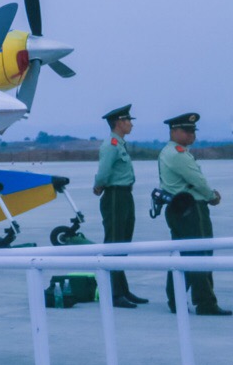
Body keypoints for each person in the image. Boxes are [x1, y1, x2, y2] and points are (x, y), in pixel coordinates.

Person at [159, 112, 226, 315]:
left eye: (192, 131)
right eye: (186, 131)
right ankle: (205, 303)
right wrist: (212, 196)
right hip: (191, 208)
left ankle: (176, 300)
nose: (191, 135)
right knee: (200, 254)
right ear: (174, 131)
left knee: (182, 255)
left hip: (179, 208)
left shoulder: (171, 152)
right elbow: (197, 181)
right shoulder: (177, 154)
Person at [93, 105, 146, 306]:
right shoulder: (111, 144)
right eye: (128, 120)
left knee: (123, 243)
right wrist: (98, 186)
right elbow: (104, 172)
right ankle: (114, 294)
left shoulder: (119, 144)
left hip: (124, 195)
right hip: (115, 195)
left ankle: (123, 290)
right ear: (119, 123)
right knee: (114, 243)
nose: (131, 124)